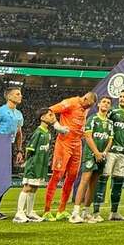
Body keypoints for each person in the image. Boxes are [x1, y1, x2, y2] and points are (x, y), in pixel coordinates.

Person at [44, 91, 98, 220]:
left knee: (72, 177)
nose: (88, 108)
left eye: (90, 107)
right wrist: (56, 125)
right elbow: (49, 110)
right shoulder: (71, 102)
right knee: (57, 175)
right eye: (88, 105)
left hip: (77, 144)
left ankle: (61, 210)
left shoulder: (85, 108)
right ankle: (47, 210)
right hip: (64, 143)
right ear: (85, 98)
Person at [69, 96, 113, 224]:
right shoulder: (92, 119)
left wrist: (104, 153)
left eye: (108, 103)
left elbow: (110, 139)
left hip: (102, 156)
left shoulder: (109, 123)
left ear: (110, 107)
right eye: (104, 102)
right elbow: (88, 137)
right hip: (90, 155)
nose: (105, 104)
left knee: (94, 184)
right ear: (98, 104)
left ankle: (86, 212)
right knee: (84, 181)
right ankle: (75, 213)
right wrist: (96, 153)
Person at [96, 88, 124, 221]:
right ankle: (95, 212)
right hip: (111, 151)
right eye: (120, 96)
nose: (121, 99)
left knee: (118, 182)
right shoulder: (112, 112)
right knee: (102, 180)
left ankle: (114, 212)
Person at [0, 87, 25, 219]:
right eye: (17, 94)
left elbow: (19, 133)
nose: (20, 96)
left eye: (20, 94)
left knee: (4, 181)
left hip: (10, 146)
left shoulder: (18, 114)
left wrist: (19, 150)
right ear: (9, 97)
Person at [14, 108, 57, 223]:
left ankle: (29, 212)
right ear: (42, 118)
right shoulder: (38, 132)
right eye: (50, 115)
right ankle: (19, 213)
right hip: (33, 165)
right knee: (28, 187)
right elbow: (29, 150)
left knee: (34, 188)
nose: (53, 117)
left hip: (41, 166)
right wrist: (29, 164)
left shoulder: (47, 133)